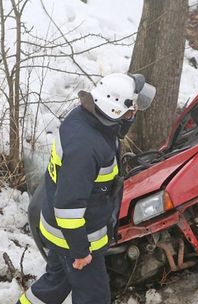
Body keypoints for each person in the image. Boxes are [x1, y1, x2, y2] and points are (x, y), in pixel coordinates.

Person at [18, 73, 156, 304]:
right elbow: (68, 208)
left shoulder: (88, 119)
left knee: (54, 285)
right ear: (115, 111)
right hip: (75, 239)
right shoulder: (86, 148)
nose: (134, 114)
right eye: (131, 110)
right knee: (94, 298)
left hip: (62, 233)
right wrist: (81, 252)